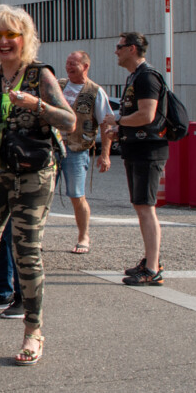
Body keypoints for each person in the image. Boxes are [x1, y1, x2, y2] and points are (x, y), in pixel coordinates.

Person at [0, 4, 75, 368]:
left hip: (32, 172)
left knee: (26, 250)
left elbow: (69, 121)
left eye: (12, 35)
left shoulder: (40, 75)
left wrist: (38, 105)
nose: (4, 42)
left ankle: (33, 330)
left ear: (25, 38)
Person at [110, 32, 168, 286]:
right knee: (141, 206)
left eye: (119, 47)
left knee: (146, 208)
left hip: (149, 150)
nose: (116, 51)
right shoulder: (135, 76)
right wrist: (121, 129)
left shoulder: (146, 76)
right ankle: (150, 260)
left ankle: (153, 269)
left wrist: (118, 120)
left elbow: (147, 115)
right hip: (137, 147)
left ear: (132, 49)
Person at [57, 50, 113, 254]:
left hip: (77, 149)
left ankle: (83, 236)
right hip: (53, 147)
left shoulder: (95, 92)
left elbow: (107, 124)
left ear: (85, 66)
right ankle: (36, 239)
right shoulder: (58, 85)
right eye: (67, 63)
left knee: (77, 194)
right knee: (41, 194)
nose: (69, 67)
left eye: (74, 64)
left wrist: (105, 155)